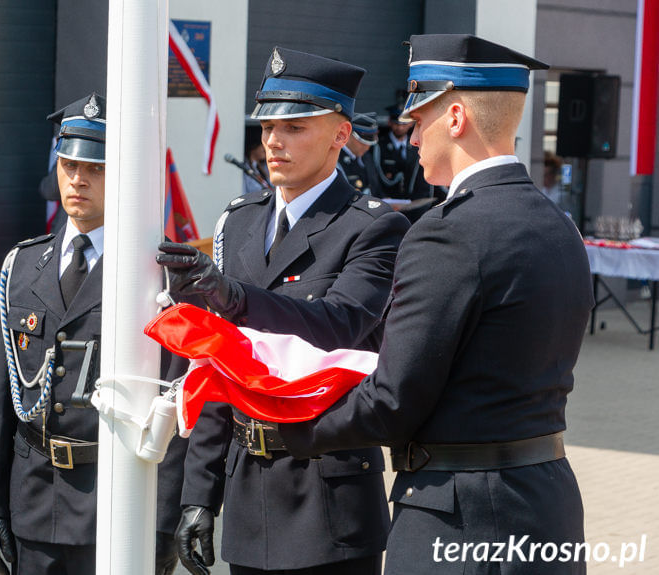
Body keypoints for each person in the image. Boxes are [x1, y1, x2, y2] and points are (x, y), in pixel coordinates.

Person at [279, 34, 593, 575]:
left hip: (458, 517)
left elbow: (394, 399)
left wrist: (291, 427)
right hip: (547, 503)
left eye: (418, 118)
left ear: (454, 117)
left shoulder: (447, 234)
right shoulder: (559, 227)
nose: (412, 134)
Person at [158, 47, 410, 575]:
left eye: (295, 126)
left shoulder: (373, 227)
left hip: (329, 491)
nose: (273, 140)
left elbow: (340, 323)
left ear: (341, 135)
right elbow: (216, 363)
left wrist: (233, 296)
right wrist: (199, 495)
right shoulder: (239, 221)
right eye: (268, 124)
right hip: (248, 484)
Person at [0, 93, 187, 575]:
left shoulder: (155, 275)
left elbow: (178, 403)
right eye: (68, 164)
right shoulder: (23, 265)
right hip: (32, 496)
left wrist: (165, 520)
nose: (78, 179)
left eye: (97, 168)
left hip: (117, 498)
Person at [337, 112, 383, 197]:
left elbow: (375, 188)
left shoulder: (367, 157)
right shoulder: (336, 159)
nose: (367, 147)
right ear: (348, 134)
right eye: (362, 141)